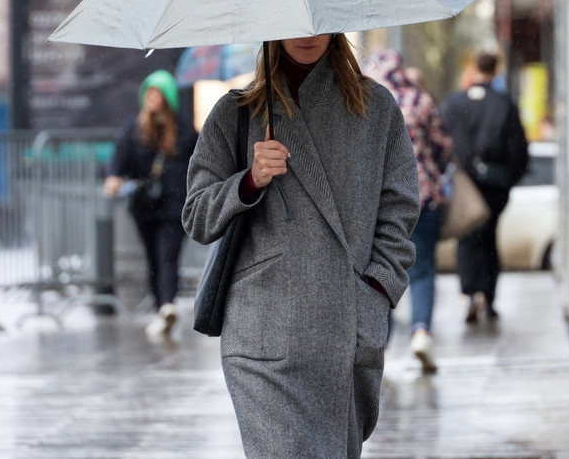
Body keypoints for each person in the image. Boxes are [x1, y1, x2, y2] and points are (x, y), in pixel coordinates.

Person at [182, 34, 419, 457]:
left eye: (318, 22)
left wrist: (376, 293)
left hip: (344, 330)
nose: (307, 34)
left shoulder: (377, 109)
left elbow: (399, 212)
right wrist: (249, 180)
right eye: (293, 22)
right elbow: (197, 217)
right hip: (260, 338)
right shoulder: (236, 113)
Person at [362, 49, 454, 374]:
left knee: (380, 266)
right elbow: (443, 145)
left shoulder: (366, 103)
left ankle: (379, 342)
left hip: (378, 202)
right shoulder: (419, 100)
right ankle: (420, 332)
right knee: (424, 267)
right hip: (425, 196)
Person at [103, 69, 198, 339]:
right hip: (145, 206)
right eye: (148, 92)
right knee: (153, 260)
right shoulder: (134, 129)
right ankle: (162, 308)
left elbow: (200, 161)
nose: (151, 98)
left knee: (167, 257)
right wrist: (112, 177)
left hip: (175, 206)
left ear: (167, 98)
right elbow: (118, 160)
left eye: (157, 93)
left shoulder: (184, 130)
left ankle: (167, 304)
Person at [440, 50, 529, 323]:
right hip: (495, 186)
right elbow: (518, 150)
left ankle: (469, 293)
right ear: (496, 69)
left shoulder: (454, 103)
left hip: (464, 185)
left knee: (467, 239)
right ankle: (488, 296)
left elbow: (440, 141)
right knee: (489, 238)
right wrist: (509, 179)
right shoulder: (504, 103)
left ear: (473, 68)